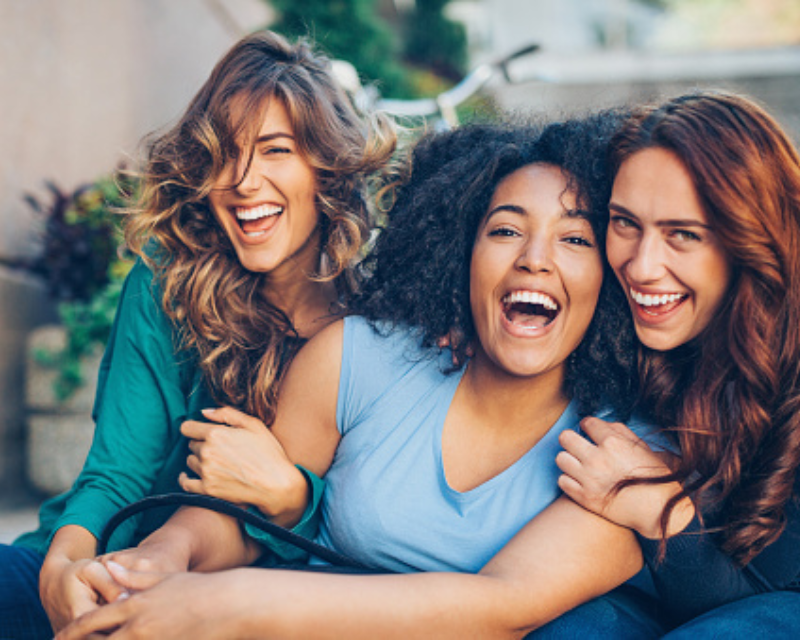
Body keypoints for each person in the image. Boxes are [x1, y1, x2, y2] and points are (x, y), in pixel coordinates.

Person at [58, 116, 667, 639]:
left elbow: (502, 609)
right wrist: (162, 558)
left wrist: (233, 603)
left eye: (575, 238)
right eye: (505, 230)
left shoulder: (625, 453)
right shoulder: (359, 357)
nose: (535, 259)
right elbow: (236, 518)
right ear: (461, 252)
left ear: (612, 276)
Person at [0, 30, 395, 638]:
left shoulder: (378, 324)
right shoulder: (168, 281)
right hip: (113, 561)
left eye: (275, 150)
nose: (243, 181)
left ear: (327, 168)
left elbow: (377, 527)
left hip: (257, 604)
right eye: (223, 155)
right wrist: (61, 569)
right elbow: (115, 473)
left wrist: (292, 496)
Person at [542, 91, 800, 637]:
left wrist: (661, 511)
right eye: (624, 223)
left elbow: (768, 608)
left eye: (683, 234)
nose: (641, 266)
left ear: (751, 239)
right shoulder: (620, 322)